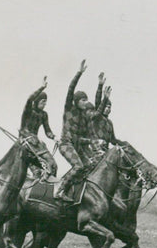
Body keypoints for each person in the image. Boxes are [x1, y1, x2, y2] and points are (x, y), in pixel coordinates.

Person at [55, 59, 99, 201]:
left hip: (76, 146)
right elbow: (70, 89)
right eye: (83, 100)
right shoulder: (69, 108)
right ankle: (59, 190)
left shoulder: (83, 116)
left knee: (90, 165)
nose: (86, 102)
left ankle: (73, 189)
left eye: (86, 100)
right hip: (65, 144)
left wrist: (94, 144)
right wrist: (79, 73)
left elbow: (82, 138)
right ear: (76, 101)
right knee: (79, 166)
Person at [20, 76, 57, 178]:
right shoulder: (28, 111)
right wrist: (42, 88)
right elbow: (29, 99)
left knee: (53, 166)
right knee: (37, 172)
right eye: (43, 102)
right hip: (25, 143)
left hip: (36, 144)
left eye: (46, 102)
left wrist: (54, 137)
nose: (45, 104)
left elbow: (48, 131)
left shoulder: (44, 114)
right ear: (36, 101)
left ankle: (51, 186)